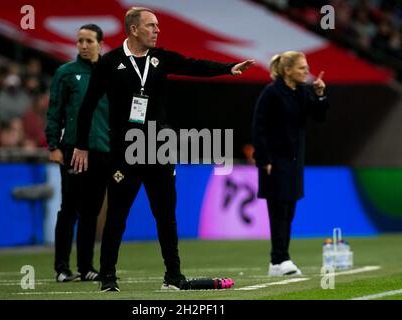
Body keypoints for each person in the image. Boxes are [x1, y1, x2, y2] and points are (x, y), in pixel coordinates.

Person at [71, 7, 254, 292]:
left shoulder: (160, 59)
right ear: (134, 29)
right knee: (117, 215)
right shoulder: (109, 63)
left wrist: (227, 68)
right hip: (124, 150)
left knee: (166, 215)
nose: (157, 30)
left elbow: (194, 65)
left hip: (159, 148)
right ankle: (108, 276)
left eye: (157, 26)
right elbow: (88, 106)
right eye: (151, 26)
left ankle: (174, 276)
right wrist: (81, 145)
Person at [252, 51, 328, 276]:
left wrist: (321, 94)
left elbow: (319, 116)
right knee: (278, 210)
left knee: (289, 210)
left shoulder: (303, 92)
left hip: (295, 161)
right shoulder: (272, 93)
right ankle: (279, 259)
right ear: (288, 70)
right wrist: (263, 159)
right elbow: (259, 127)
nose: (307, 72)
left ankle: (280, 259)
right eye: (302, 68)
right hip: (274, 161)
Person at [45, 24, 110, 282]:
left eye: (88, 41)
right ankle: (62, 268)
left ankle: (86, 267)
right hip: (73, 150)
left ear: (100, 44)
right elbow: (55, 110)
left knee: (92, 211)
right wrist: (53, 145)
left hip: (103, 150)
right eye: (80, 41)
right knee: (69, 208)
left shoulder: (111, 74)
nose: (83, 45)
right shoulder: (66, 73)